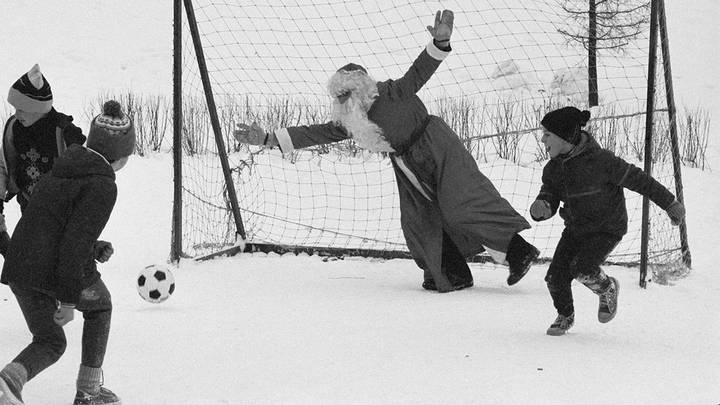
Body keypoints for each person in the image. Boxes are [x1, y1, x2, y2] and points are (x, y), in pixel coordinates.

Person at [233, 10, 539, 293]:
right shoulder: (351, 122)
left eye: (345, 93)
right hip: (408, 165)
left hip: (436, 147)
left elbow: (418, 72)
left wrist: (439, 42)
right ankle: (451, 272)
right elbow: (316, 132)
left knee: (463, 203)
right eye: (338, 96)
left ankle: (519, 252)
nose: (341, 100)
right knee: (418, 221)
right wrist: (268, 138)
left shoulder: (392, 92)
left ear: (360, 87)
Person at [0, 100, 135, 405]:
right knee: (100, 307)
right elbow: (73, 243)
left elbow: (55, 221)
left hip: (20, 266)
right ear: (122, 157)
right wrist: (71, 300)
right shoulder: (102, 185)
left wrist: (94, 245)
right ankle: (88, 392)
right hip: (48, 268)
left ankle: (9, 380)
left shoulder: (67, 165)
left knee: (49, 341)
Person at [531, 106, 686, 336]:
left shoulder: (601, 161)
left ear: (564, 136)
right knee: (555, 277)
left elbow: (640, 180)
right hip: (576, 228)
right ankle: (565, 315)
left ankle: (608, 288)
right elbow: (550, 193)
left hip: (607, 228)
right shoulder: (553, 169)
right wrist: (544, 205)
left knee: (583, 268)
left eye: (547, 135)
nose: (542, 140)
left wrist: (670, 203)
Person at [0, 64, 87, 257]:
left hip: (61, 212)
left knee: (60, 257)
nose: (16, 114)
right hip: (29, 204)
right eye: (15, 108)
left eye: (22, 109)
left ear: (39, 108)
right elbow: (4, 164)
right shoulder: (15, 128)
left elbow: (86, 176)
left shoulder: (63, 132)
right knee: (33, 257)